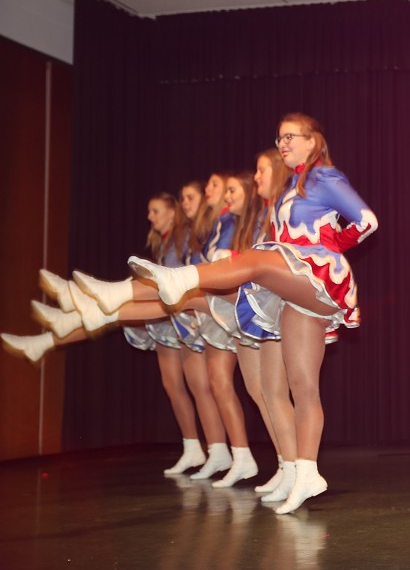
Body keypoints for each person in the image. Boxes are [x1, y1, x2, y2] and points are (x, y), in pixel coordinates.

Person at [76, 113, 377, 513]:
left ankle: (164, 282)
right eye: (280, 137)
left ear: (313, 141)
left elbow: (367, 221)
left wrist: (329, 244)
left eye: (291, 137)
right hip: (292, 287)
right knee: (302, 386)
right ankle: (306, 471)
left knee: (255, 260)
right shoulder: (292, 187)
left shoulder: (326, 177)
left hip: (318, 276)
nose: (283, 143)